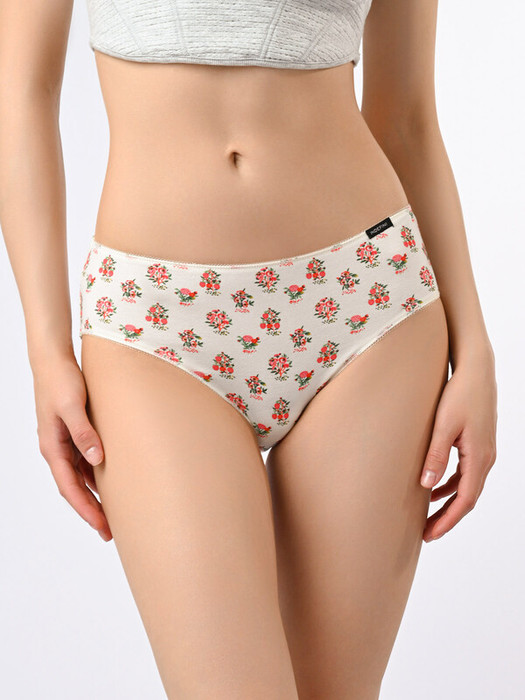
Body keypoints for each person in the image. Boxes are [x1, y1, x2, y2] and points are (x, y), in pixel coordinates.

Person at [0, 1, 497, 698]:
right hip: (154, 325)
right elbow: (20, 93)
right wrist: (46, 350)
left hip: (366, 306)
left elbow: (406, 117)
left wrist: (475, 350)